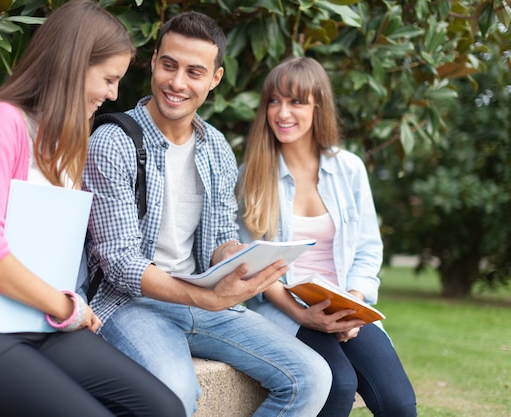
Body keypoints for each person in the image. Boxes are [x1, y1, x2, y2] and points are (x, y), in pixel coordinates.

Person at [0, 2, 185, 416]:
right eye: (109, 79)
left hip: (42, 324)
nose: (114, 94)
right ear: (73, 65)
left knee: (164, 409)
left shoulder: (66, 142)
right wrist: (67, 306)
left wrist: (68, 306)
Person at [83, 11, 332, 417]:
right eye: (169, 65)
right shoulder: (113, 142)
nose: (177, 83)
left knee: (313, 376)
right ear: (154, 63)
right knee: (176, 396)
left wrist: (243, 259)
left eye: (194, 72)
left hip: (203, 301)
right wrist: (207, 296)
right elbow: (121, 265)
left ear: (215, 79)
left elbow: (218, 241)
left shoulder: (215, 146)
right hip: (130, 305)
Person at [236, 56, 417, 417]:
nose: (282, 112)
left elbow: (367, 249)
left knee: (398, 403)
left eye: (296, 101)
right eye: (274, 100)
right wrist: (303, 316)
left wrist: (351, 305)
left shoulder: (348, 168)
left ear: (318, 106)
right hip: (283, 311)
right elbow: (250, 262)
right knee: (339, 385)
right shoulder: (252, 175)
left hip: (345, 307)